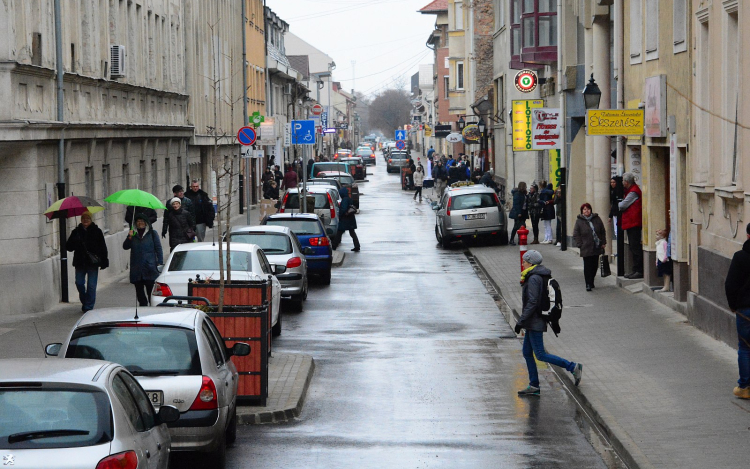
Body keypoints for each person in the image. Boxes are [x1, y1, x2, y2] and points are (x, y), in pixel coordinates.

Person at [515, 250, 583, 396]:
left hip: (534, 321)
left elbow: (533, 302)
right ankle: (534, 385)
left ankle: (572, 366)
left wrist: (521, 321)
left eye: (524, 261)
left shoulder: (534, 278)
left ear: (531, 263)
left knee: (540, 354)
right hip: (532, 321)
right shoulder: (537, 275)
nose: (523, 264)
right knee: (527, 352)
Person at [725, 222, 750, 399]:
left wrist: (733, 305)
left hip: (745, 310)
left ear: (748, 236)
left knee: (746, 348)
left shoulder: (740, 257)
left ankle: (745, 387)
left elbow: (730, 284)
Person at [66, 211, 109, 312]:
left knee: (91, 285)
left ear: (91, 220)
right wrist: (75, 240)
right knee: (79, 283)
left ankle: (88, 306)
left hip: (92, 263)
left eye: (88, 218)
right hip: (80, 262)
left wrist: (104, 260)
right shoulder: (76, 232)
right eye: (84, 218)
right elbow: (68, 247)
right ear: (81, 220)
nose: (85, 220)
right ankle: (85, 300)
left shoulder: (97, 231)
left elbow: (103, 247)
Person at [123, 213, 163, 306]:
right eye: (138, 221)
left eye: (142, 221)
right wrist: (129, 237)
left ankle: (151, 308)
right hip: (137, 268)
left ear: (146, 223)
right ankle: (143, 307)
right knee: (139, 292)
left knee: (150, 291)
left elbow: (158, 248)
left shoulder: (152, 233)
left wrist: (160, 263)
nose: (140, 223)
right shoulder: (133, 234)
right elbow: (125, 247)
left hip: (150, 267)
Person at [572, 203, 607, 291]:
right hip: (586, 247)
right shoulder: (579, 221)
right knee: (587, 266)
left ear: (591, 210)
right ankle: (588, 283)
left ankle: (592, 281)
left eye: (588, 209)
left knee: (594, 265)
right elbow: (576, 234)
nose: (586, 211)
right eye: (584, 209)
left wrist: (603, 242)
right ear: (582, 211)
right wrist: (580, 244)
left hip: (596, 245)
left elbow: (602, 231)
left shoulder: (597, 219)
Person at [618, 172, 643, 278]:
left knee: (635, 247)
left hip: (634, 223)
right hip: (631, 223)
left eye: (623, 181)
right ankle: (635, 269)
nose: (622, 183)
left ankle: (639, 270)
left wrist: (619, 203)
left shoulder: (633, 192)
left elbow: (622, 206)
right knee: (633, 247)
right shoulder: (630, 191)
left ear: (627, 182)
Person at [337, 187, 360, 252]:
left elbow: (343, 209)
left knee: (339, 232)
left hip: (345, 219)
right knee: (352, 233)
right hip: (350, 219)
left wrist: (340, 215)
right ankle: (357, 246)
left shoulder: (345, 200)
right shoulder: (349, 199)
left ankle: (334, 246)